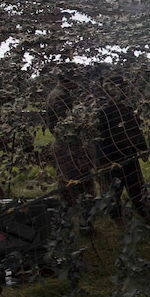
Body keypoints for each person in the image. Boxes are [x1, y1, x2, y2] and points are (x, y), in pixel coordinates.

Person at [95, 73, 150, 221]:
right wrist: (103, 161)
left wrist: (142, 148)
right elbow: (99, 138)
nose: (125, 92)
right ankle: (116, 218)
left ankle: (145, 212)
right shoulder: (102, 111)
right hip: (111, 156)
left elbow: (136, 128)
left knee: (137, 186)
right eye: (122, 89)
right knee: (113, 190)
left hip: (129, 153)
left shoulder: (127, 107)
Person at [45, 68, 97, 214]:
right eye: (76, 79)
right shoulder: (61, 97)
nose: (78, 83)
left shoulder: (57, 94)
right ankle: (83, 213)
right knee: (81, 178)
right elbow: (67, 124)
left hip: (63, 143)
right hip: (69, 146)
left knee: (67, 178)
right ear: (69, 80)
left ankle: (68, 210)